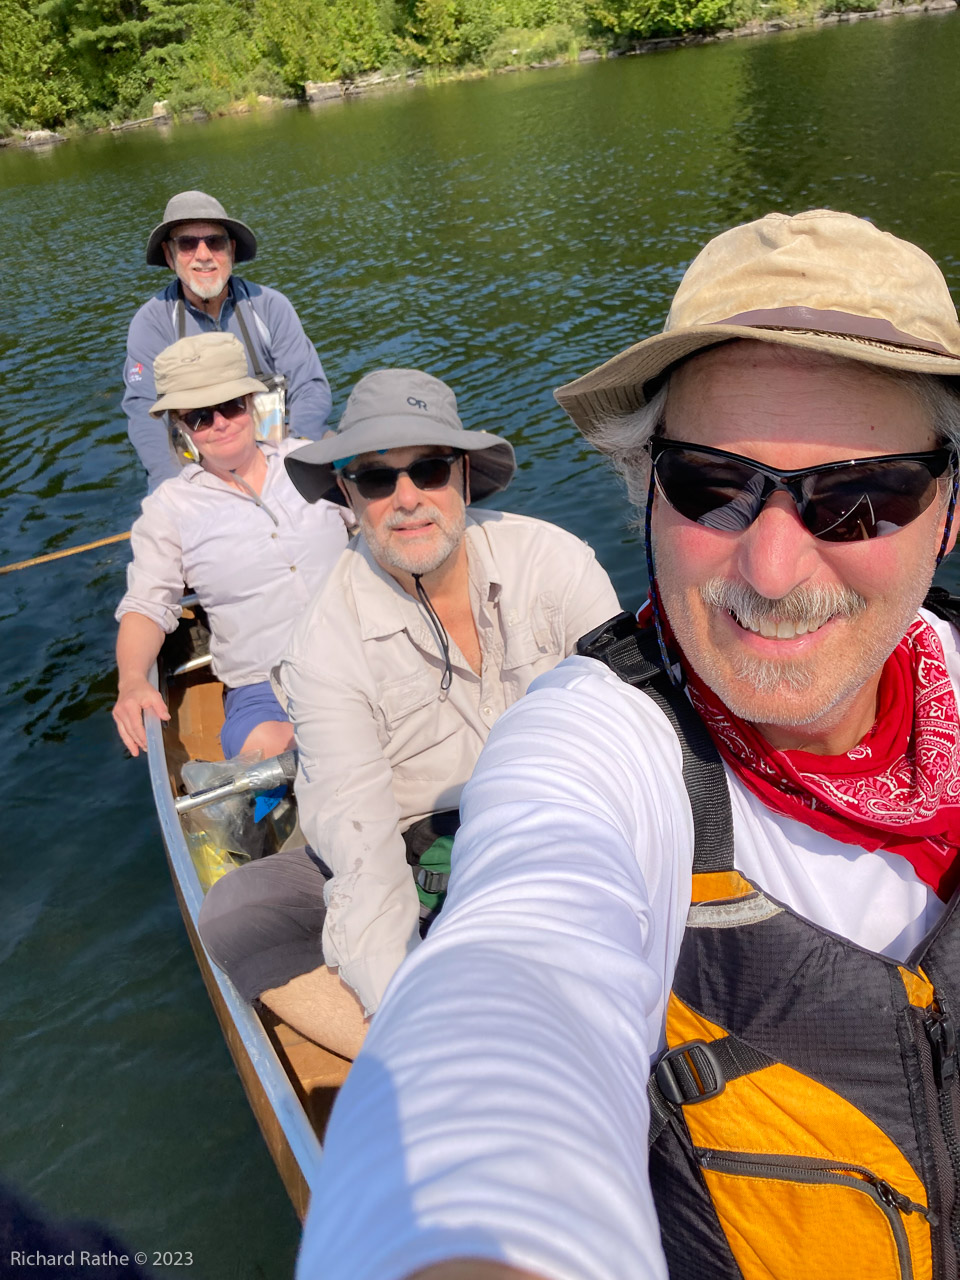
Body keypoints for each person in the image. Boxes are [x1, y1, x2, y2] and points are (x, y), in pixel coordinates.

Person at [293, 211, 960, 1280]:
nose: (774, 570)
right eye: (711, 485)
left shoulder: (548, 558)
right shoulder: (594, 740)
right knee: (252, 918)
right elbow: (527, 944)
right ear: (649, 489)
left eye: (862, 497)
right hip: (440, 840)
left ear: (948, 510)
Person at [197, 368, 620, 1060]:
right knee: (239, 915)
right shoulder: (322, 648)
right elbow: (363, 857)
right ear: (347, 495)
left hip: (566, 825)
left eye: (428, 469)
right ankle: (435, 1054)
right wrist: (425, 1025)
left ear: (463, 477)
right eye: (374, 478)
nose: (406, 498)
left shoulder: (555, 562)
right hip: (420, 854)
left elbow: (633, 738)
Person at [112, 332, 350, 762]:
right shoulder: (169, 508)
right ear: (180, 426)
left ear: (251, 403)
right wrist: (131, 681)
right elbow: (146, 606)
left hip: (361, 652)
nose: (220, 423)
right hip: (266, 687)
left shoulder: (313, 460)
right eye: (200, 417)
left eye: (231, 406)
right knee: (263, 745)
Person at [123, 190, 332, 491]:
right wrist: (174, 489)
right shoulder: (150, 324)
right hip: (199, 470)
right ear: (169, 255)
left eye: (215, 242)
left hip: (281, 452)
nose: (204, 255)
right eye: (187, 244)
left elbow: (309, 387)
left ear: (231, 250)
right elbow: (145, 414)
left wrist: (295, 457)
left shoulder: (271, 306)